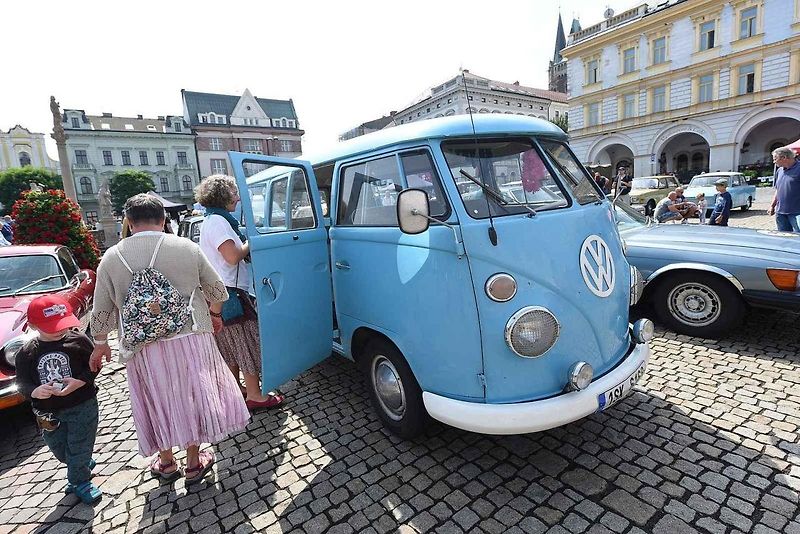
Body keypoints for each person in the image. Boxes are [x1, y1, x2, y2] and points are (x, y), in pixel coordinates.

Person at [89, 194, 249, 485]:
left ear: (128, 221)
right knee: (192, 395)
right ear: (163, 220)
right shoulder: (185, 247)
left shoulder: (111, 257)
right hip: (190, 336)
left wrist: (100, 343)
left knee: (155, 397)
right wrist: (214, 316)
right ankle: (193, 463)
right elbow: (216, 290)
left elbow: (101, 309)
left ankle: (165, 461)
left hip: (141, 345)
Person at [194, 174, 285, 411]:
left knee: (231, 346)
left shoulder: (213, 220)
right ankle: (255, 395)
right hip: (230, 293)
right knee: (245, 343)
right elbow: (233, 257)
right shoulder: (219, 222)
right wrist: (252, 242)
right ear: (223, 196)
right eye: (234, 193)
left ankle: (235, 391)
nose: (237, 197)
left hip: (222, 293)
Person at [15, 295, 101, 504]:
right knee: (59, 448)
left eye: (62, 324)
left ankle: (79, 481)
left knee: (80, 444)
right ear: (33, 326)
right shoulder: (26, 353)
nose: (59, 330)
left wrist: (80, 382)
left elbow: (94, 367)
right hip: (49, 412)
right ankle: (78, 462)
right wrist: (35, 391)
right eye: (51, 327)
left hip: (83, 405)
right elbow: (23, 383)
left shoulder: (78, 340)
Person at [768, 147, 800, 232]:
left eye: (775, 159)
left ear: (784, 158)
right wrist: (772, 206)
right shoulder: (779, 171)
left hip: (797, 212)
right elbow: (778, 189)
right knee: (783, 239)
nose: (774, 162)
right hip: (780, 213)